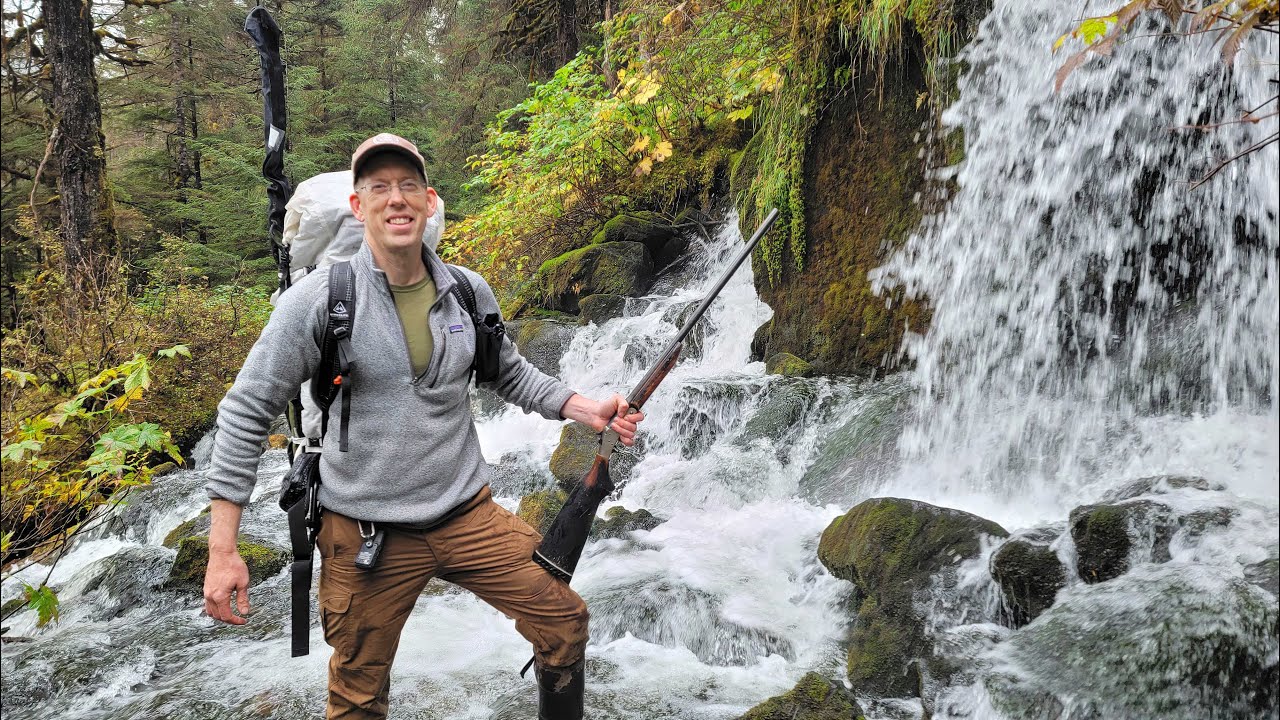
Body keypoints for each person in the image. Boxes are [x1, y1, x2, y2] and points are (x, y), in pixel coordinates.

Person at [201, 132, 644, 720]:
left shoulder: (466, 291)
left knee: (564, 623)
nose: (397, 198)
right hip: (366, 531)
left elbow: (509, 373)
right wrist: (223, 549)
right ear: (358, 205)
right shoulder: (319, 302)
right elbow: (245, 411)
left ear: (429, 201)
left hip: (466, 515)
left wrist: (585, 409)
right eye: (379, 187)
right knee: (358, 696)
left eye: (409, 185)